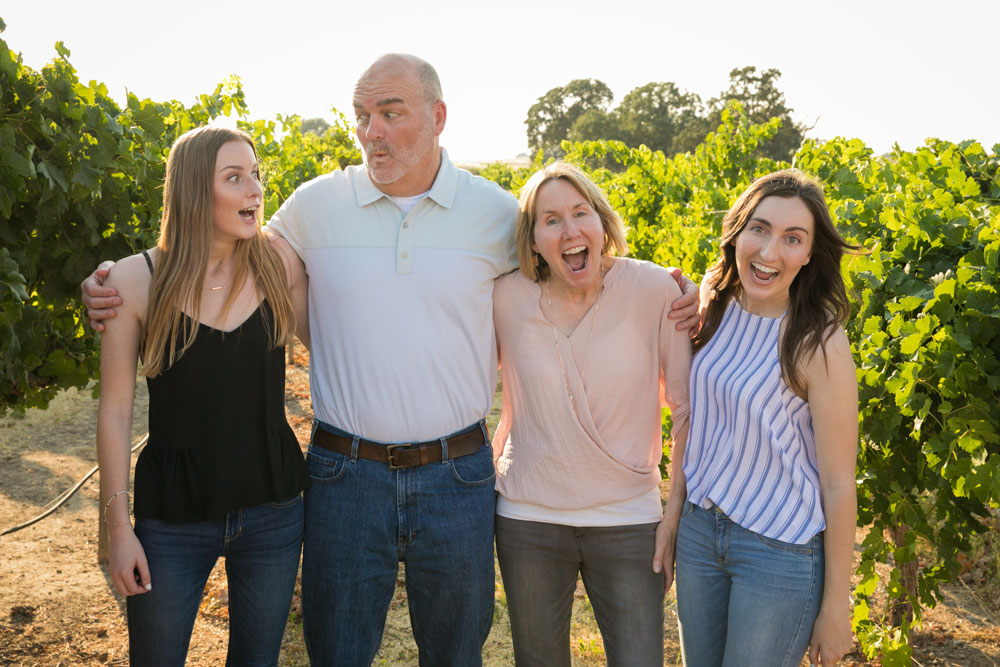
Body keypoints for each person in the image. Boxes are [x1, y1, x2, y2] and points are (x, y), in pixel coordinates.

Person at [83, 54, 701, 666]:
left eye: (389, 113)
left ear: (437, 116)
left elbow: (570, 260)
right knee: (338, 649)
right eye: (361, 115)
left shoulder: (492, 213)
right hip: (343, 475)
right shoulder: (314, 206)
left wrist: (672, 289)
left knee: (457, 652)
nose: (370, 131)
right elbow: (220, 261)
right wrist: (122, 282)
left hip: (456, 477)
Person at [95, 126, 311, 666]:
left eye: (256, 175)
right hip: (172, 520)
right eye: (234, 178)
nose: (254, 190)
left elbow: (346, 342)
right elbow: (116, 412)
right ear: (194, 189)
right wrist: (117, 530)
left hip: (273, 510)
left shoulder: (279, 266)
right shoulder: (134, 280)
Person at [491, 162, 691, 666]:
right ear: (533, 241)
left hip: (629, 520)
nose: (570, 229)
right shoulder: (505, 297)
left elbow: (687, 413)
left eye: (582, 213)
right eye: (551, 219)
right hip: (528, 519)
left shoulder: (654, 290)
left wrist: (672, 516)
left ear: (602, 225)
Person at [667, 169, 858, 667]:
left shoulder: (819, 341)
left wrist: (837, 607)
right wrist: (673, 517)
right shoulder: (715, 301)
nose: (770, 252)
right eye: (760, 228)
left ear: (810, 254)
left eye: (793, 238)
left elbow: (839, 483)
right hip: (699, 535)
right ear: (738, 232)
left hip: (779, 552)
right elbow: (691, 417)